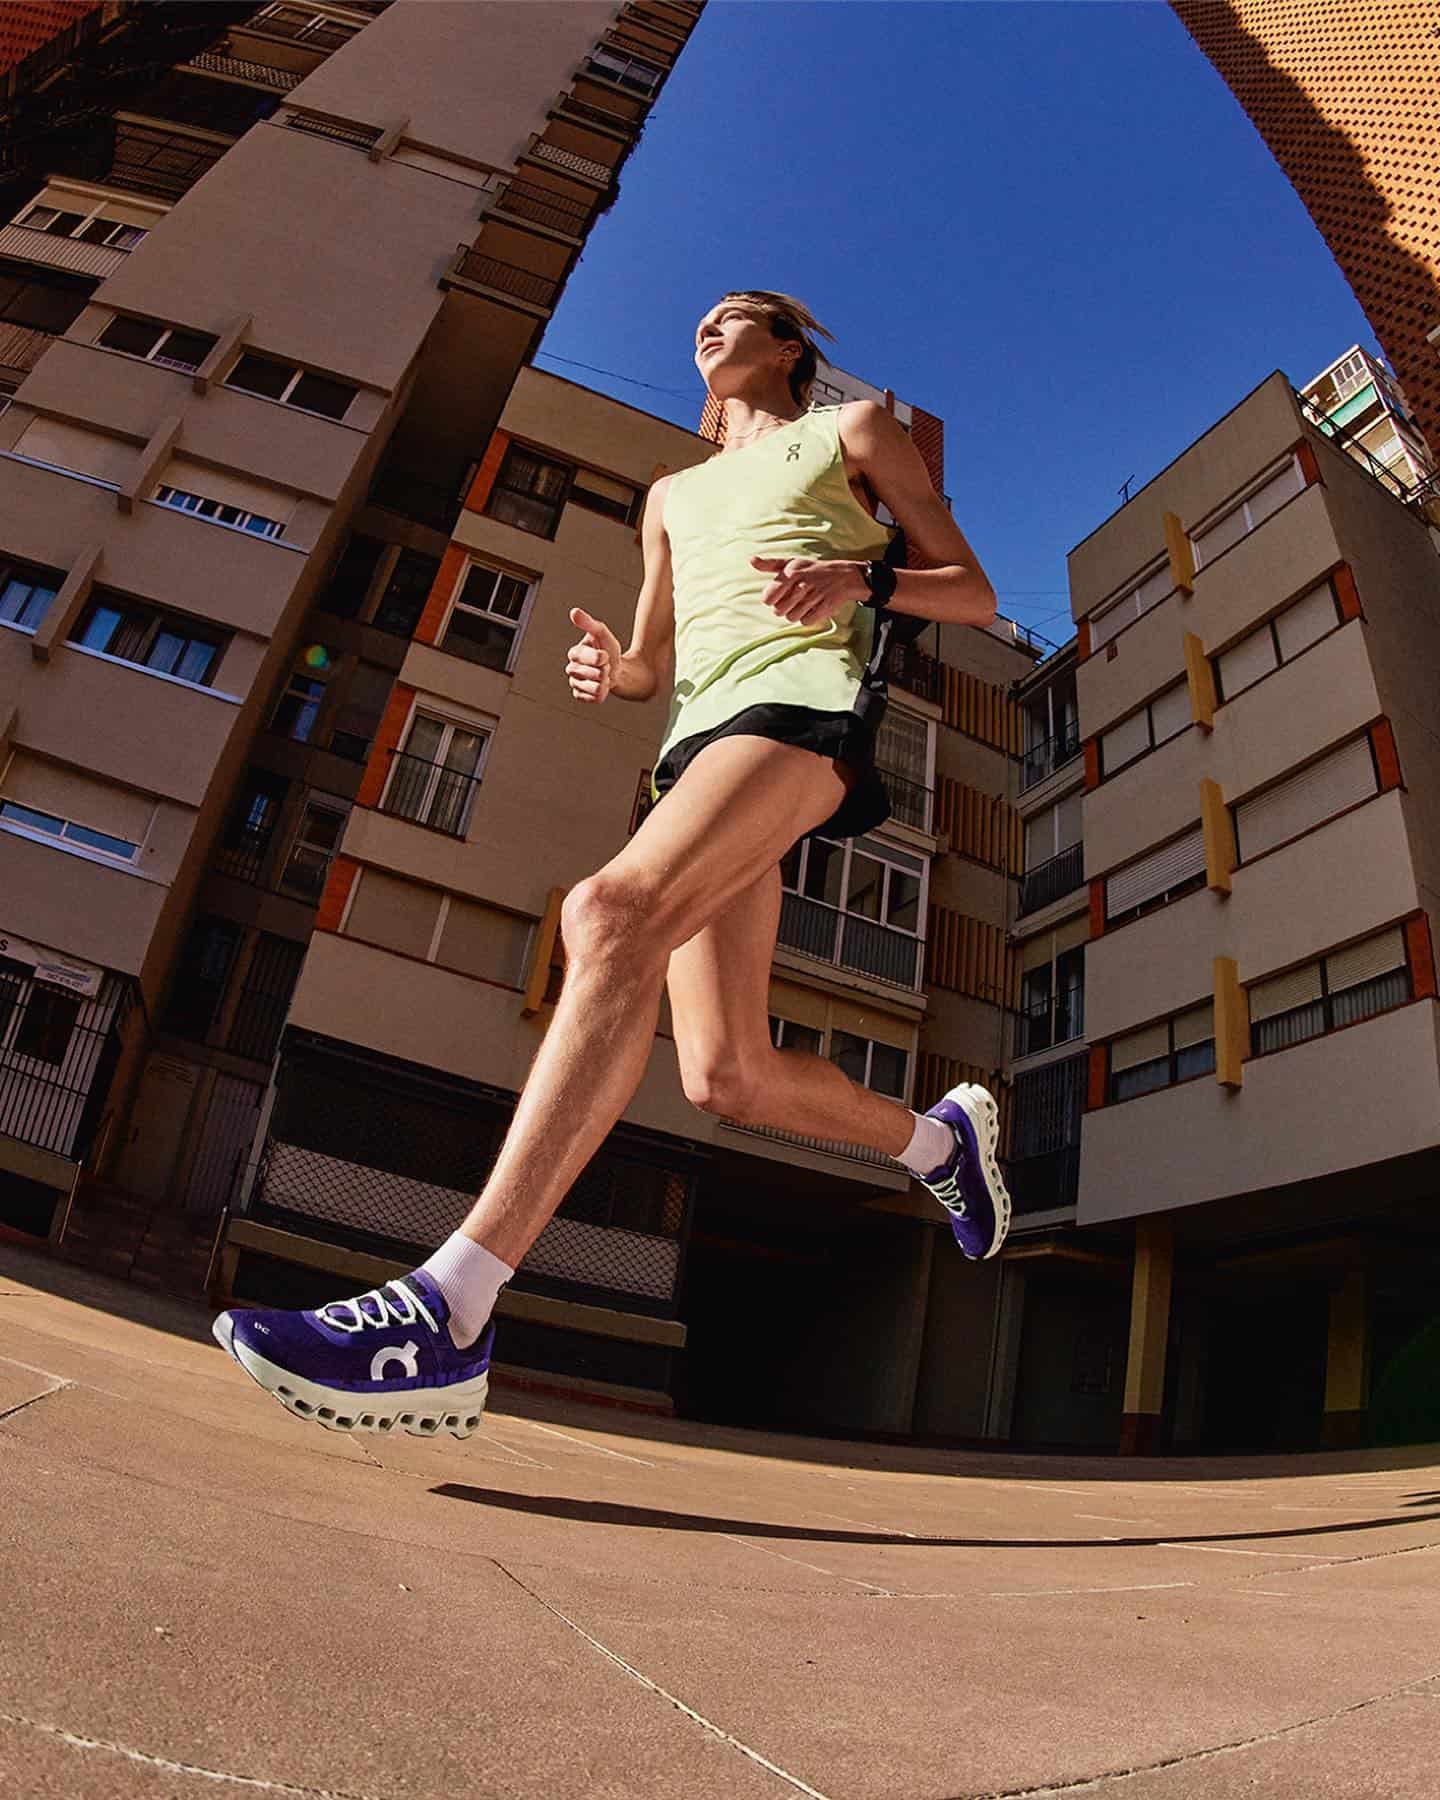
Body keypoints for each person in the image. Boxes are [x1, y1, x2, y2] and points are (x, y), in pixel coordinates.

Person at [212, 291, 1012, 1440]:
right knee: (725, 1077)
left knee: (608, 910)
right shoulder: (670, 497)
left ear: (788, 347)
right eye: (700, 317)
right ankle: (941, 1143)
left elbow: (974, 593)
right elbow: (652, 658)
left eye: (739, 314)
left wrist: (860, 581)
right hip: (696, 754)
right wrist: (616, 674)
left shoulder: (853, 434)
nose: (709, 325)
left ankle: (450, 1310)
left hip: (800, 717)